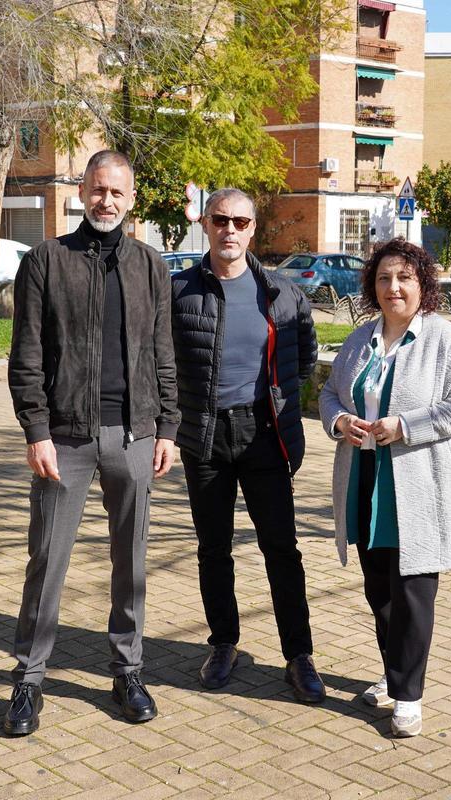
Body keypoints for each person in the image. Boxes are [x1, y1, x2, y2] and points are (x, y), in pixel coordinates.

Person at [5, 150, 179, 734]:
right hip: (65, 439)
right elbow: (26, 355)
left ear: (132, 200)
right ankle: (29, 680)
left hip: (135, 436)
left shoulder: (151, 266)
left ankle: (128, 670)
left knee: (130, 562)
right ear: (82, 191)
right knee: (48, 559)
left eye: (118, 192)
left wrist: (169, 429)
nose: (107, 200)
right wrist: (36, 432)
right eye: (98, 189)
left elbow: (163, 355)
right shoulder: (46, 261)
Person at [319, 238, 451, 738]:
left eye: (405, 278)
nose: (394, 287)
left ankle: (409, 696)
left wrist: (404, 427)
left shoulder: (442, 339)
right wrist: (341, 420)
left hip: (418, 487)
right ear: (373, 284)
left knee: (412, 594)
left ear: (422, 285)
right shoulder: (359, 339)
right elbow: (328, 393)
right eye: (385, 277)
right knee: (380, 590)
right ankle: (394, 677)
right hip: (366, 483)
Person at [169, 188, 325, 704]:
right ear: (207, 225)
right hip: (205, 437)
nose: (229, 230)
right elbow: (162, 366)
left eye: (240, 221)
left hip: (265, 435)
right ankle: (223, 643)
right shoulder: (181, 291)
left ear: (253, 229)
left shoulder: (282, 293)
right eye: (220, 220)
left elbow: (302, 362)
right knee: (214, 549)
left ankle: (298, 655)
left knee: (281, 549)